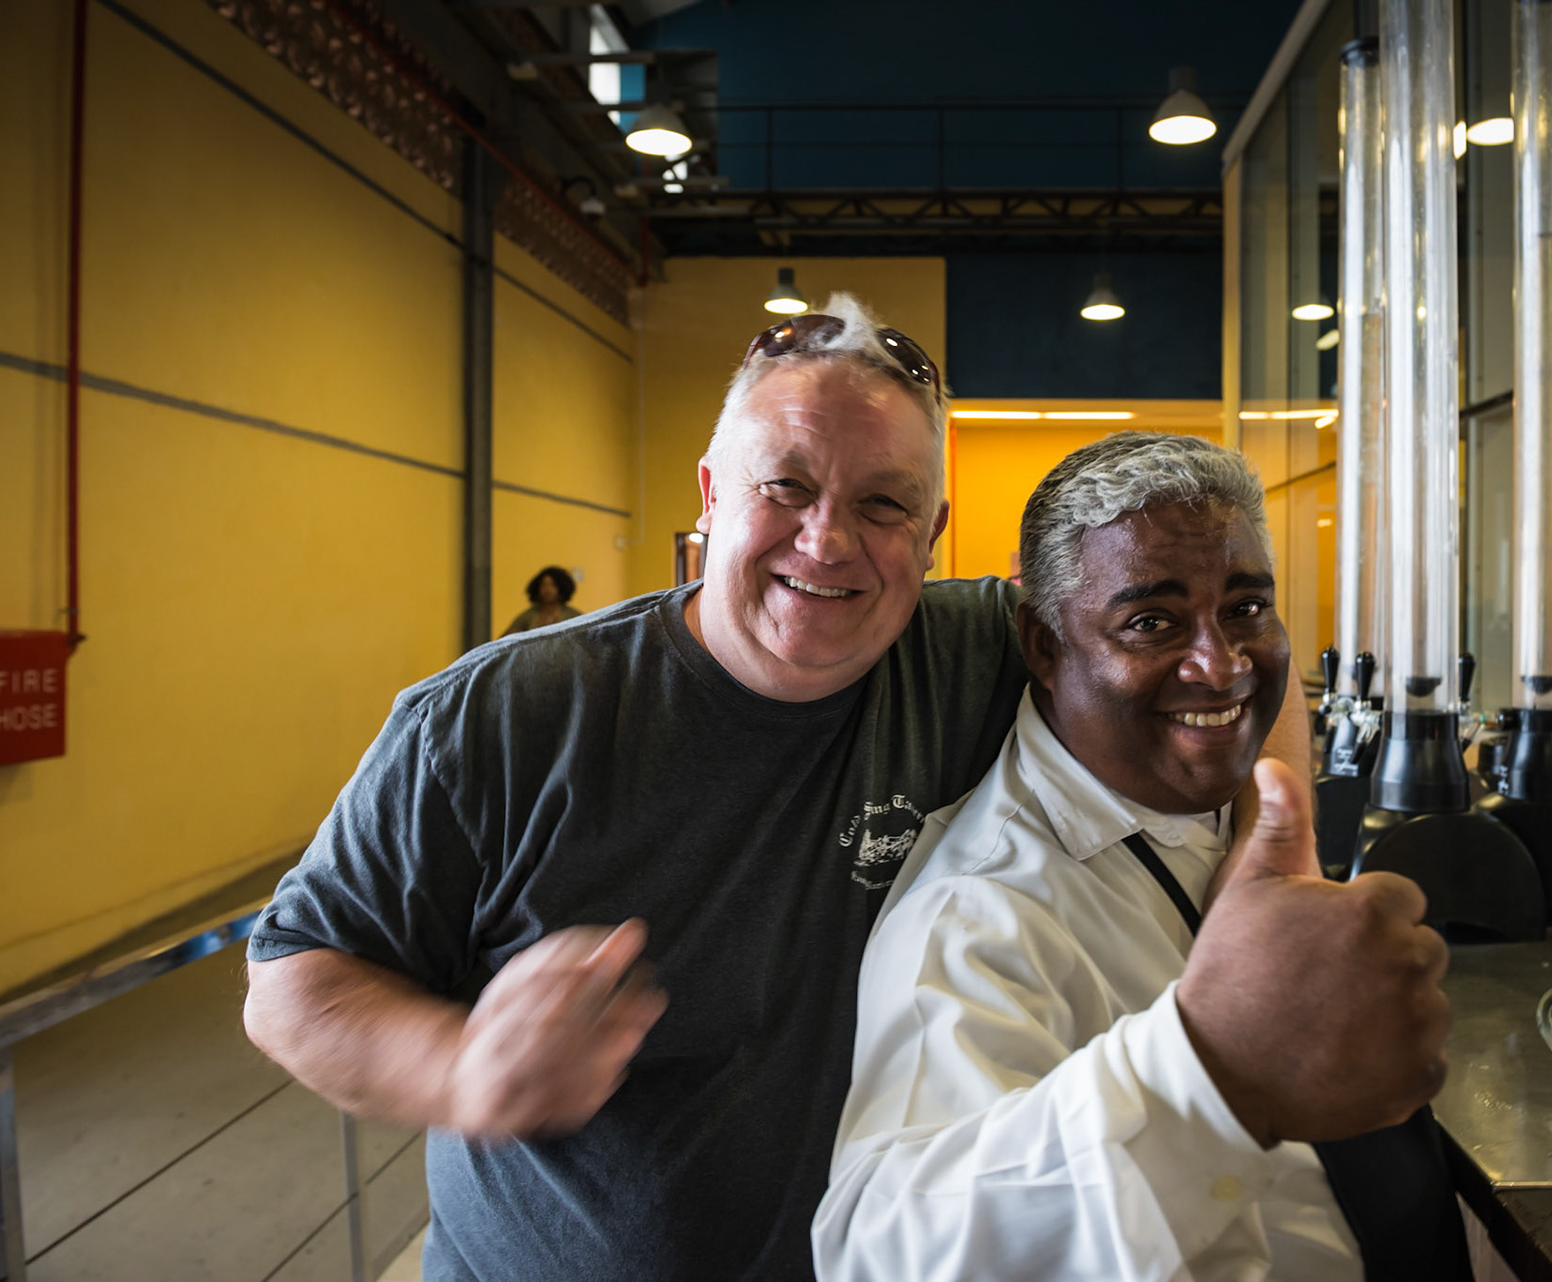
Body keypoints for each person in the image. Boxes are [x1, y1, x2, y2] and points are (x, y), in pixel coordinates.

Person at [241, 297, 1445, 1282]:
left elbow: (1218, 668)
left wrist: (1263, 883)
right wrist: (462, 1070)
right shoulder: (503, 718)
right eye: (786, 487)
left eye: (881, 504)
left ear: (931, 534)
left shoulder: (967, 638)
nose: (828, 542)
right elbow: (293, 983)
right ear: (710, 494)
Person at [816, 434, 1463, 1282]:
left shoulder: (1230, 812)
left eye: (1245, 608)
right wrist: (1210, 1071)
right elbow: (883, 1250)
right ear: (1045, 647)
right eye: (1151, 623)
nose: (1221, 665)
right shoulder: (979, 915)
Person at [501, 564, 582, 635]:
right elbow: (505, 641)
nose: (548, 590)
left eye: (552, 585)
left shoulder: (573, 616)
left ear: (562, 588)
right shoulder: (527, 616)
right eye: (544, 585)